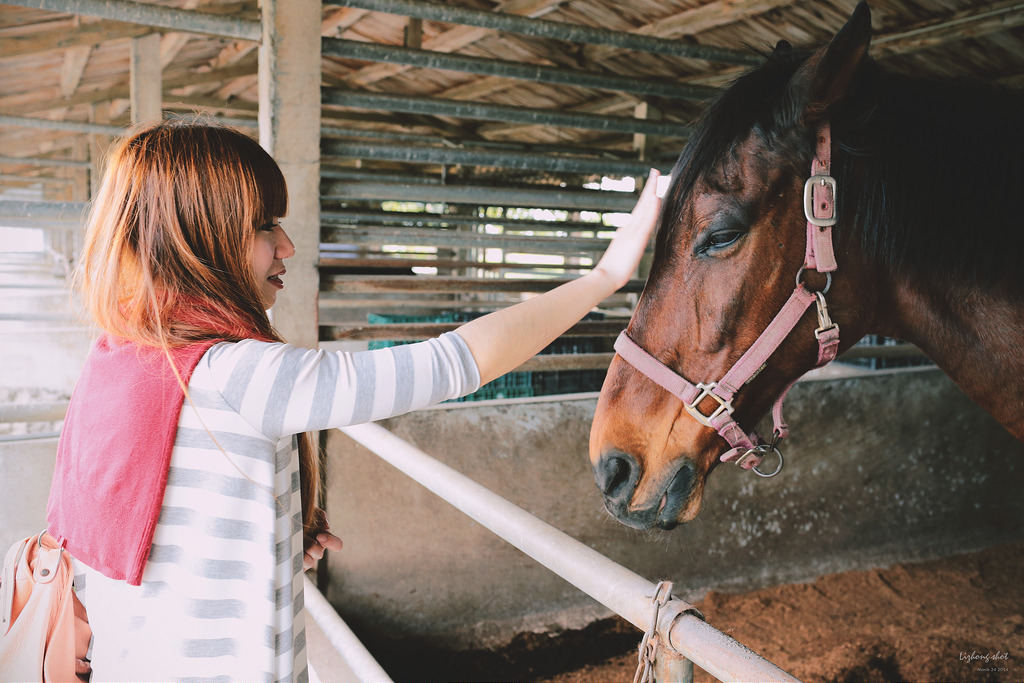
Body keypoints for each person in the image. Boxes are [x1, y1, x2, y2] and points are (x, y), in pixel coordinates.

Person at [45, 118, 662, 682]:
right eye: (263, 226)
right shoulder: (236, 375)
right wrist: (603, 277)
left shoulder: (120, 358)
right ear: (197, 239)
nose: (286, 246)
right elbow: (455, 362)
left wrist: (271, 542)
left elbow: (145, 539)